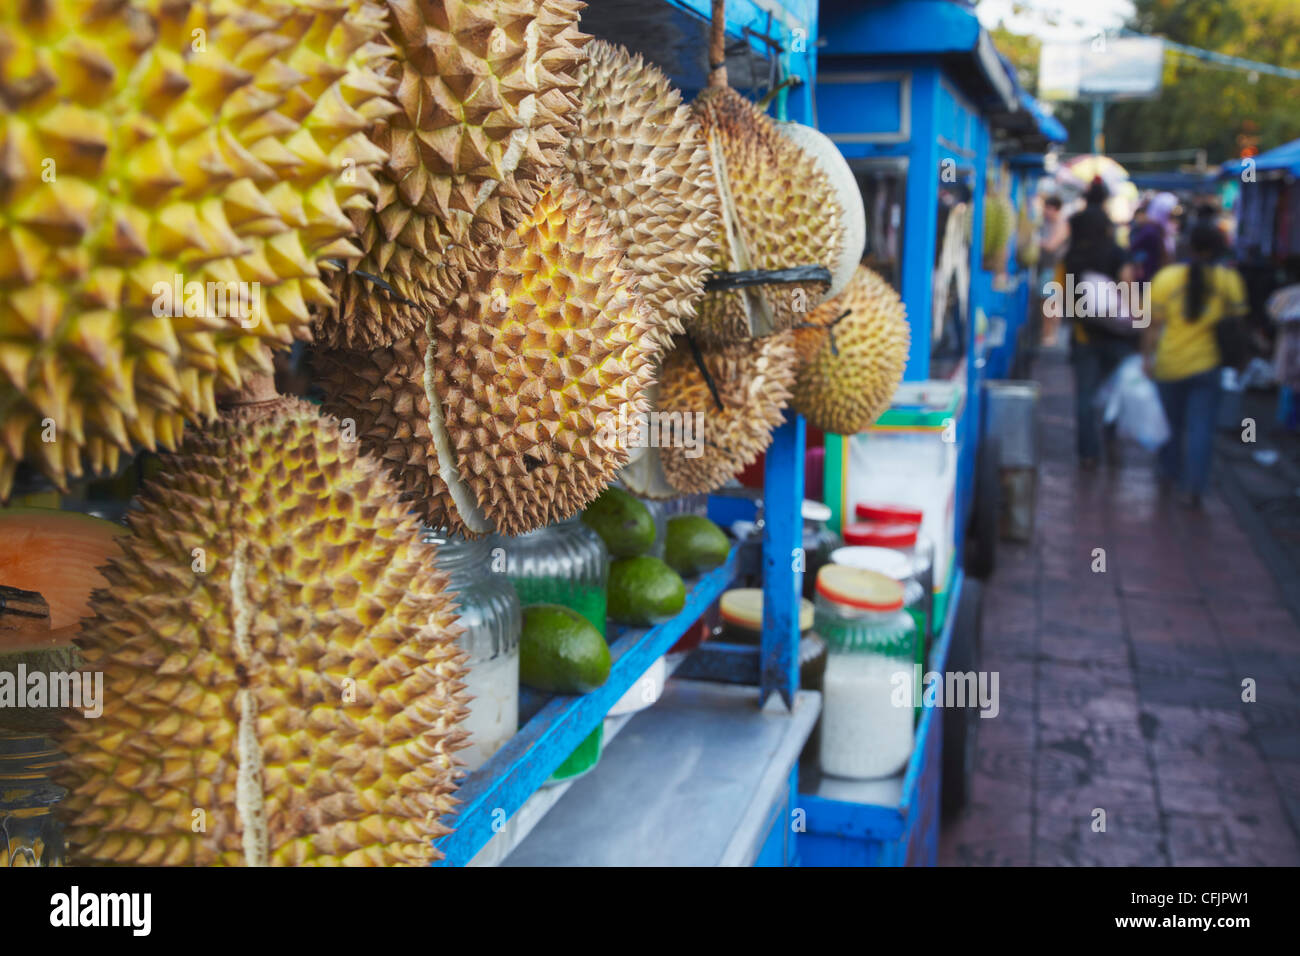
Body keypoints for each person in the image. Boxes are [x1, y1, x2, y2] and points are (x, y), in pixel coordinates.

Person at [1142, 222, 1248, 509]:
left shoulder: (1166, 277)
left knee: (1171, 425)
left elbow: (1151, 325)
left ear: (1189, 247)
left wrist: (1146, 358)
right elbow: (1238, 324)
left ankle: (1169, 474)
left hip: (1169, 364)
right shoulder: (1228, 280)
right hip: (1208, 365)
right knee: (1201, 428)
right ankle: (1194, 489)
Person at [1066, 178, 1137, 469]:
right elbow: (1130, 288)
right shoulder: (1117, 252)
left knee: (1085, 396)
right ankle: (1110, 440)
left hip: (1084, 336)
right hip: (1117, 337)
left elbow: (1061, 298)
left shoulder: (1072, 257)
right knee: (1112, 394)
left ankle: (1088, 454)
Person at [1038, 195, 1069, 345]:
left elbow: (1052, 245)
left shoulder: (1061, 225)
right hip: (1048, 267)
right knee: (1048, 302)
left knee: (1050, 302)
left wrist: (1035, 242)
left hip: (1054, 268)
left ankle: (1049, 335)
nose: (1045, 211)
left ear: (1055, 209)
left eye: (1047, 208)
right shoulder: (1047, 223)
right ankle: (1047, 334)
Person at [1128, 192, 1177, 283]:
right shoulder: (1150, 230)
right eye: (1169, 214)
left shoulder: (1161, 228)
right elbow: (1133, 250)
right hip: (1149, 277)